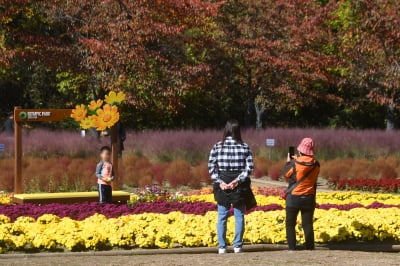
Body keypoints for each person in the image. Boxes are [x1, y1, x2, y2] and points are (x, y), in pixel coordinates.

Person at [208, 119, 255, 254]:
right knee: (239, 216)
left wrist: (220, 182)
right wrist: (238, 181)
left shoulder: (217, 146)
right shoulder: (245, 147)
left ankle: (222, 247)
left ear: (226, 130)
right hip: (239, 185)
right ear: (238, 131)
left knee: (222, 216)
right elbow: (249, 167)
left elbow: (211, 167)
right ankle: (237, 246)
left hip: (222, 182)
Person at [282, 138, 320, 251]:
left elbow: (286, 177)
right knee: (307, 223)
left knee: (290, 223)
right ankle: (309, 247)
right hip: (309, 197)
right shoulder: (316, 164)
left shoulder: (294, 163)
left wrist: (288, 162)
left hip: (294, 197)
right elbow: (307, 167)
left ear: (300, 150)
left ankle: (292, 247)